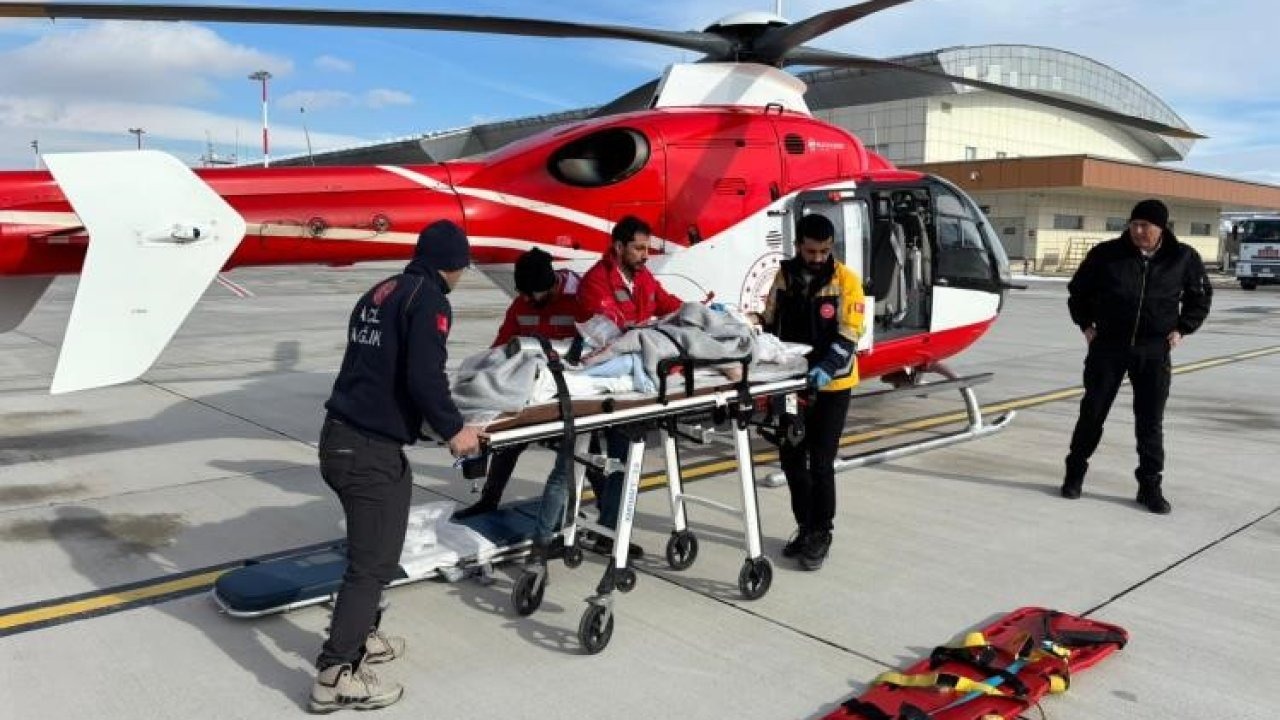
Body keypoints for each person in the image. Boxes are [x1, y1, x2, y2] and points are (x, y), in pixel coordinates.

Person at [310, 219, 481, 713]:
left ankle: (362, 635)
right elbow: (425, 376)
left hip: (341, 437)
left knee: (381, 547)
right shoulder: (430, 298)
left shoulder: (380, 291)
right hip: (367, 451)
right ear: (456, 264)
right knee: (370, 567)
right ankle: (335, 673)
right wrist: (454, 431)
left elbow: (379, 369)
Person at [1062, 198, 1212, 514]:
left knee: (1150, 422)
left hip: (1154, 350)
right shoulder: (1106, 254)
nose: (1138, 230)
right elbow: (1078, 291)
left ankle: (1149, 486)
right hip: (1108, 348)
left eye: (1145, 225)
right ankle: (1074, 473)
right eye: (1134, 224)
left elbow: (1200, 297)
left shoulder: (1182, 257)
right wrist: (1086, 325)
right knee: (1092, 413)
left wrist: (1182, 329)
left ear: (1161, 228)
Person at [453, 248, 583, 551]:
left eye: (534, 294)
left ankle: (605, 518)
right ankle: (489, 500)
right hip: (531, 389)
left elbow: (589, 343)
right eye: (523, 294)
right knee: (508, 442)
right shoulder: (522, 303)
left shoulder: (578, 300)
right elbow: (501, 346)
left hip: (570, 390)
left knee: (579, 449)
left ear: (551, 285)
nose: (528, 301)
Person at [760, 213, 866, 571]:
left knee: (821, 463)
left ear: (831, 247)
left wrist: (825, 369)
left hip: (832, 384)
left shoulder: (846, 281)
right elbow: (769, 321)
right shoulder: (784, 276)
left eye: (824, 251)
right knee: (792, 459)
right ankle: (805, 526)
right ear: (798, 247)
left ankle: (822, 531)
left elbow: (850, 333)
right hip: (790, 384)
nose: (818, 258)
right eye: (811, 251)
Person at [576, 215, 683, 549]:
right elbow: (617, 331)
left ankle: (608, 526)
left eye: (646, 248)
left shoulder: (642, 277)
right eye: (638, 248)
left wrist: (695, 314)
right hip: (613, 382)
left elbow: (666, 303)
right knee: (618, 457)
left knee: (621, 459)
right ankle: (609, 528)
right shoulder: (596, 282)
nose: (644, 254)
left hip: (635, 381)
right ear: (618, 247)